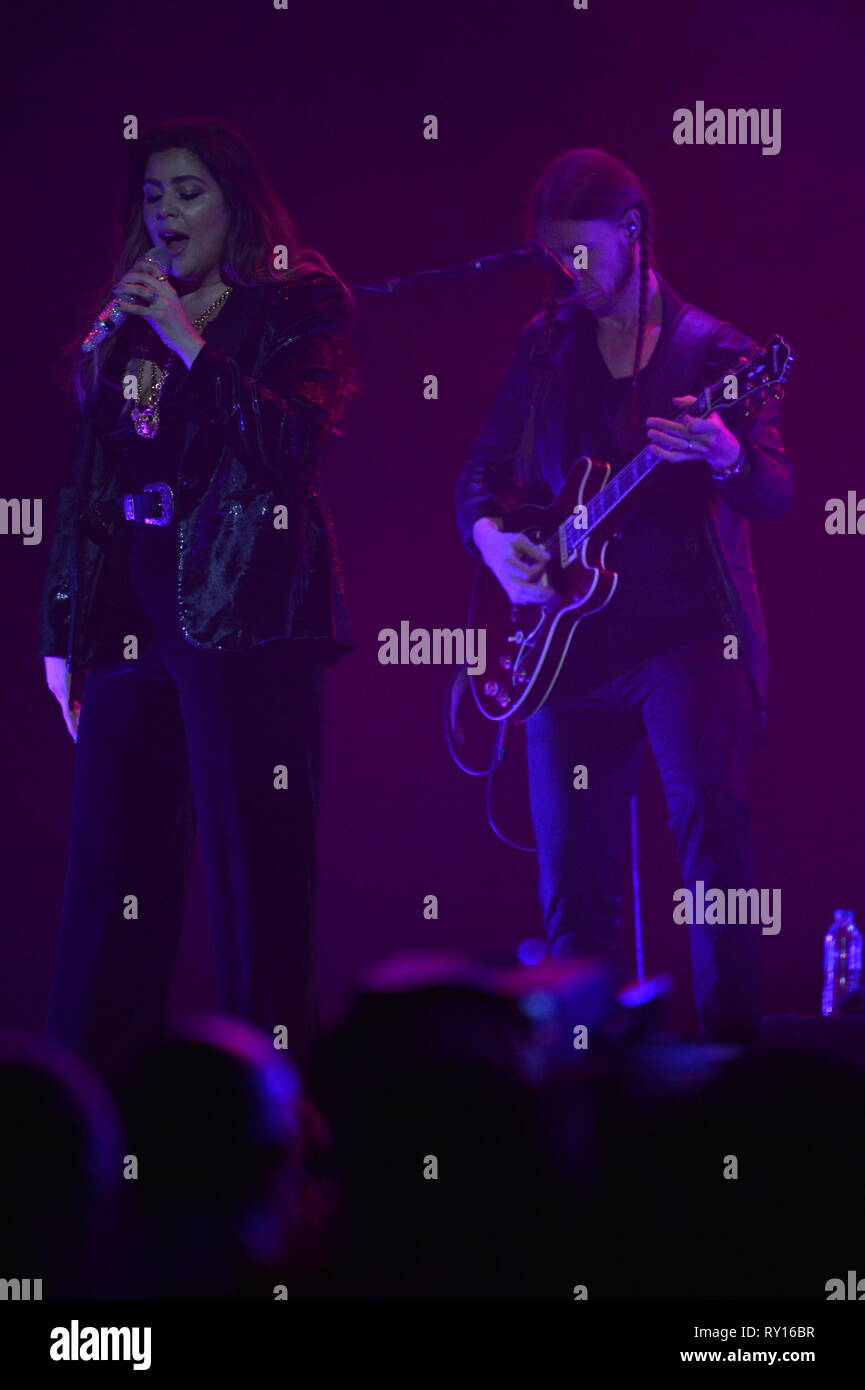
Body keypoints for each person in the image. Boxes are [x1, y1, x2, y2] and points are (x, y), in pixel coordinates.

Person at [38, 118, 354, 1074]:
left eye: (188, 193)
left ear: (236, 204)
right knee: (110, 867)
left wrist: (188, 343)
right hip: (134, 607)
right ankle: (90, 1113)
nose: (166, 213)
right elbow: (91, 482)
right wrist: (64, 632)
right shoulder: (131, 317)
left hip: (246, 609)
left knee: (255, 867)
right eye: (152, 196)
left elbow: (293, 448)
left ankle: (274, 1112)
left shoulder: (300, 302)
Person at [455, 149, 792, 1043]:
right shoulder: (547, 345)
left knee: (710, 839)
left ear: (633, 232)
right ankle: (591, 1084)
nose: (566, 276)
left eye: (580, 255)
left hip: (687, 640)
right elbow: (483, 471)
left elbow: (775, 491)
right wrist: (494, 542)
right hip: (566, 651)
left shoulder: (717, 352)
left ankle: (730, 1066)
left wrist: (725, 454)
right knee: (573, 881)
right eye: (551, 257)